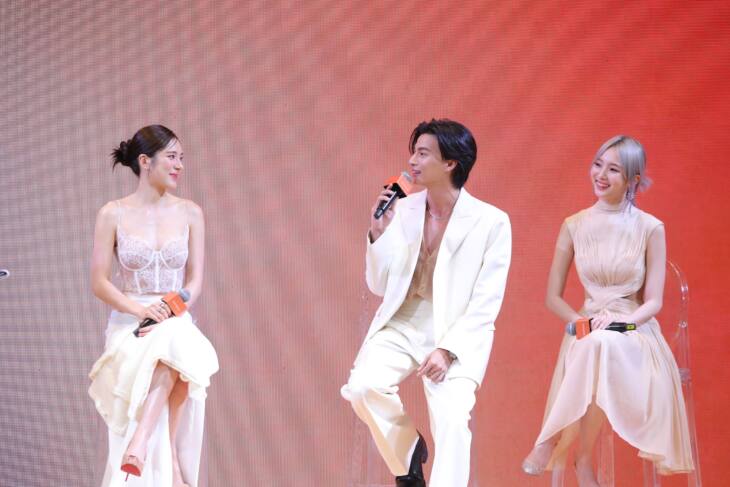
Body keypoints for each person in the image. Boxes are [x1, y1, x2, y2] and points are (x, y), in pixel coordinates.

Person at [341, 119, 511, 487]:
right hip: (403, 321)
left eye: (423, 154)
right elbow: (379, 285)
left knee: (452, 421)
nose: (412, 162)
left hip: (455, 329)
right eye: (413, 153)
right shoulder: (403, 210)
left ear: (450, 163)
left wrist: (448, 350)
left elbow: (486, 303)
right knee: (363, 387)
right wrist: (378, 233)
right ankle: (408, 454)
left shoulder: (492, 223)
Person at [521, 135, 694, 486]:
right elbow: (553, 297)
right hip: (586, 328)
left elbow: (653, 302)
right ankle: (582, 461)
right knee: (594, 345)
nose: (600, 175)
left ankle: (551, 441)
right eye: (598, 164)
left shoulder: (650, 228)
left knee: (598, 345)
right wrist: (581, 322)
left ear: (633, 179)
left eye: (613, 169)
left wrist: (620, 323)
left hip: (633, 331)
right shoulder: (573, 225)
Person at [88, 125, 219, 487]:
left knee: (176, 338)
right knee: (176, 345)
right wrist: (140, 311)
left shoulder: (191, 213)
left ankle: (141, 444)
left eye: (182, 158)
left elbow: (194, 281)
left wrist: (172, 307)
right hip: (131, 322)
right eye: (172, 157)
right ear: (145, 161)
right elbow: (99, 282)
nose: (180, 166)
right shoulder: (112, 214)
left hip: (174, 313)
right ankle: (171, 467)